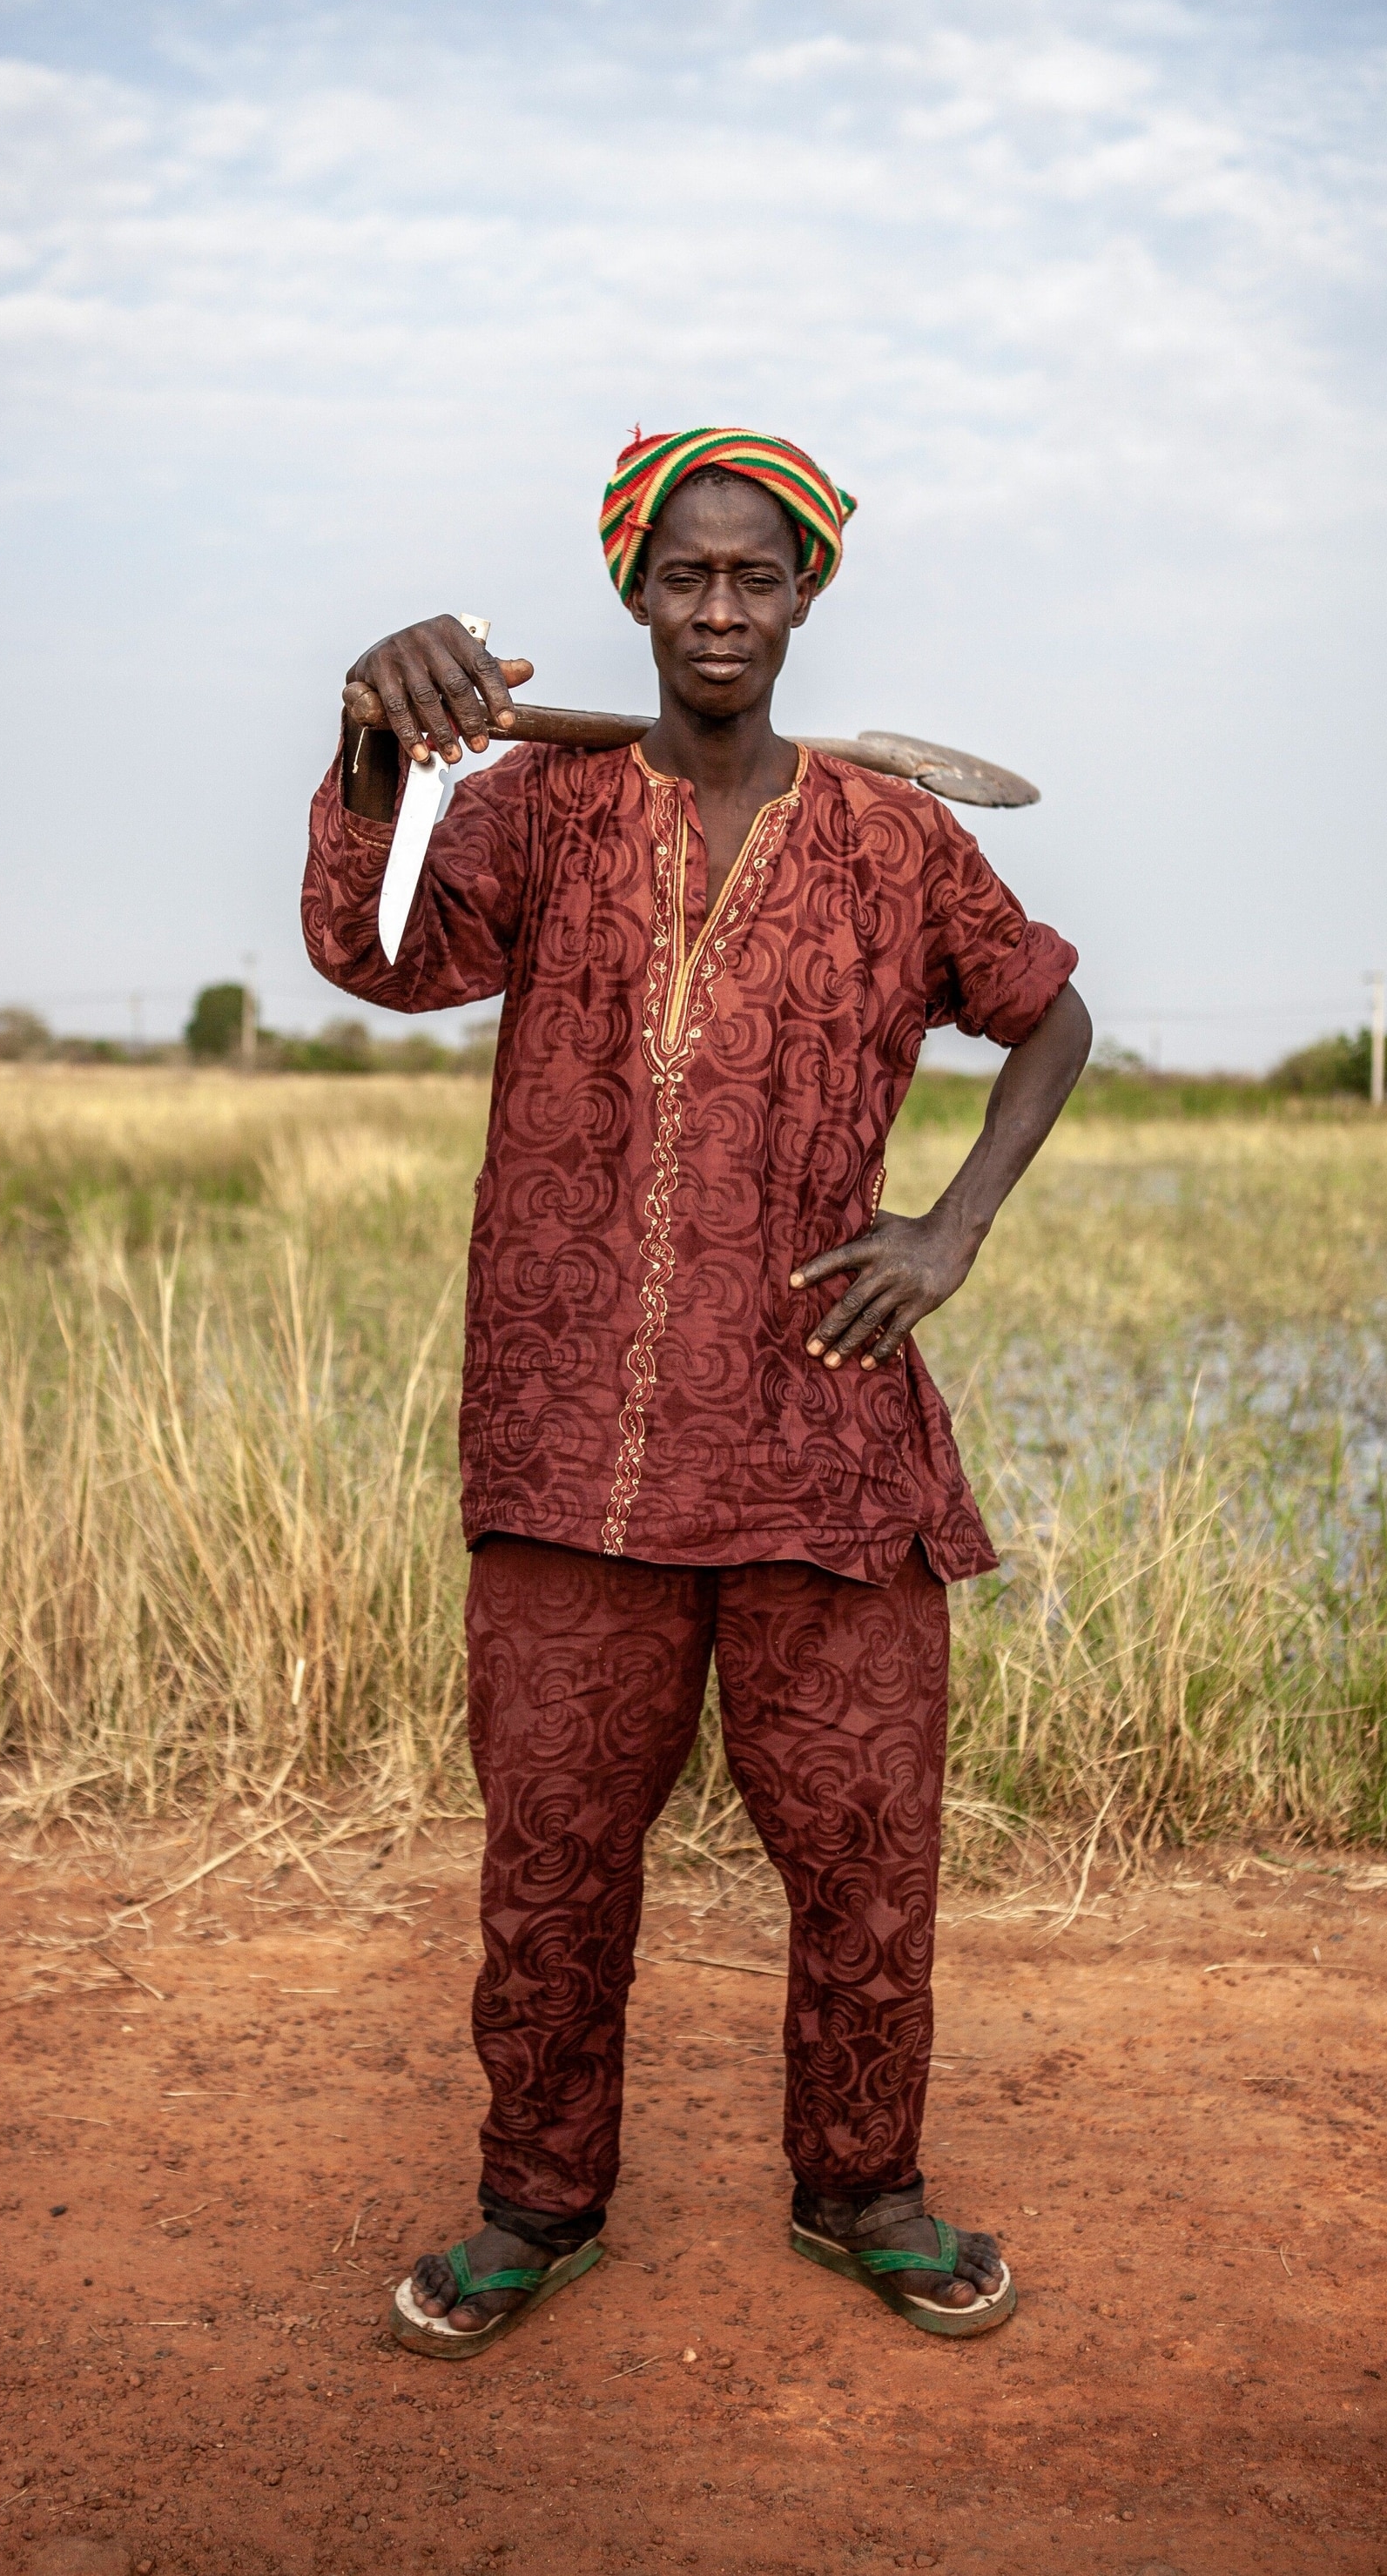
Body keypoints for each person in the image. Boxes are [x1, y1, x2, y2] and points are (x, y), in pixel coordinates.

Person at [301, 426, 1090, 2359]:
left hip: (824, 1440)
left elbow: (1049, 1006)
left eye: (754, 577)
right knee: (552, 1852)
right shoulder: (545, 811)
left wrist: (951, 1229)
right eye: (684, 577)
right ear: (633, 598)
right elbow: (377, 953)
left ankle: (862, 2192)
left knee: (864, 1845)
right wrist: (377, 745)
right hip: (574, 1442)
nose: (718, 607)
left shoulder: (897, 841)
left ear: (804, 596)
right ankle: (535, 2202)